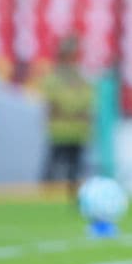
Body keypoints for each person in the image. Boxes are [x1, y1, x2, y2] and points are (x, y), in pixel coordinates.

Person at [40, 36, 92, 196]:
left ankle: (73, 197)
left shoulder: (81, 76)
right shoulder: (54, 77)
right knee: (54, 165)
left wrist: (74, 113)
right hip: (60, 130)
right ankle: (46, 195)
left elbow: (88, 101)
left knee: (75, 168)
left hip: (78, 130)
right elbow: (52, 104)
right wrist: (74, 113)